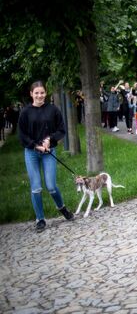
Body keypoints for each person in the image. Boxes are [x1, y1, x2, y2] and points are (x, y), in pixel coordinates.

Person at [18, 81, 75, 232]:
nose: (39, 95)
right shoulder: (25, 112)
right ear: (31, 94)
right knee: (36, 187)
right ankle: (40, 219)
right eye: (36, 93)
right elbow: (22, 136)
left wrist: (50, 139)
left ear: (46, 93)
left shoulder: (53, 110)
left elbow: (61, 129)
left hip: (49, 152)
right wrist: (36, 146)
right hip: (32, 152)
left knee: (51, 186)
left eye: (42, 92)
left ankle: (62, 208)